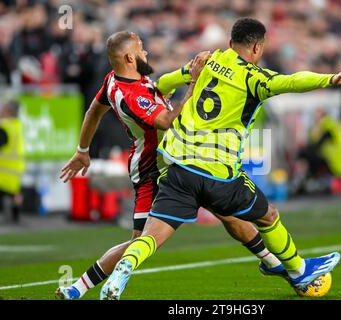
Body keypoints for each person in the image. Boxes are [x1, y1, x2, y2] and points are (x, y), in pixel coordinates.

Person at [101, 18, 341, 300]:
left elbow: (163, 82)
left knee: (151, 236)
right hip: (217, 173)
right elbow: (293, 81)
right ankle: (298, 270)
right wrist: (330, 78)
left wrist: (178, 81)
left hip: (178, 167)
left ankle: (124, 268)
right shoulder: (255, 78)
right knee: (267, 215)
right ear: (258, 47)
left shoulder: (208, 61)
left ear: (229, 43)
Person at [56, 31, 283, 300]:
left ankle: (274, 263)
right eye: (141, 50)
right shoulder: (133, 93)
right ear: (130, 57)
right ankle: (78, 287)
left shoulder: (114, 82)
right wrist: (194, 84)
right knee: (140, 241)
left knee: (227, 212)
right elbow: (166, 121)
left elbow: (94, 110)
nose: (146, 53)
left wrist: (83, 150)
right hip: (156, 169)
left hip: (179, 161)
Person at [0, 101, 25, 223]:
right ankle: (14, 202)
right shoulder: (16, 126)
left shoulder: (4, 128)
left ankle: (7, 205)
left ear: (7, 111)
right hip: (13, 180)